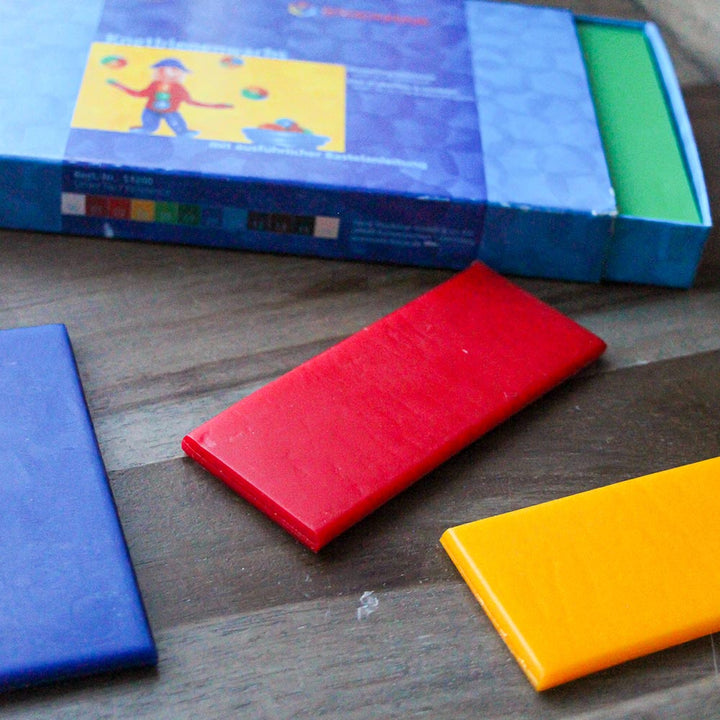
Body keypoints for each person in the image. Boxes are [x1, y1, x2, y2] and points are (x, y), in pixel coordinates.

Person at [108, 58, 233, 136]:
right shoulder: (154, 85)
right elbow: (138, 94)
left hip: (171, 112)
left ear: (179, 73)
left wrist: (219, 106)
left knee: (178, 126)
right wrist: (118, 85)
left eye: (173, 70)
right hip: (151, 110)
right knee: (150, 127)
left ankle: (183, 132)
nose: (167, 73)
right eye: (163, 70)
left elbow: (192, 102)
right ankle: (146, 129)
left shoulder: (179, 88)